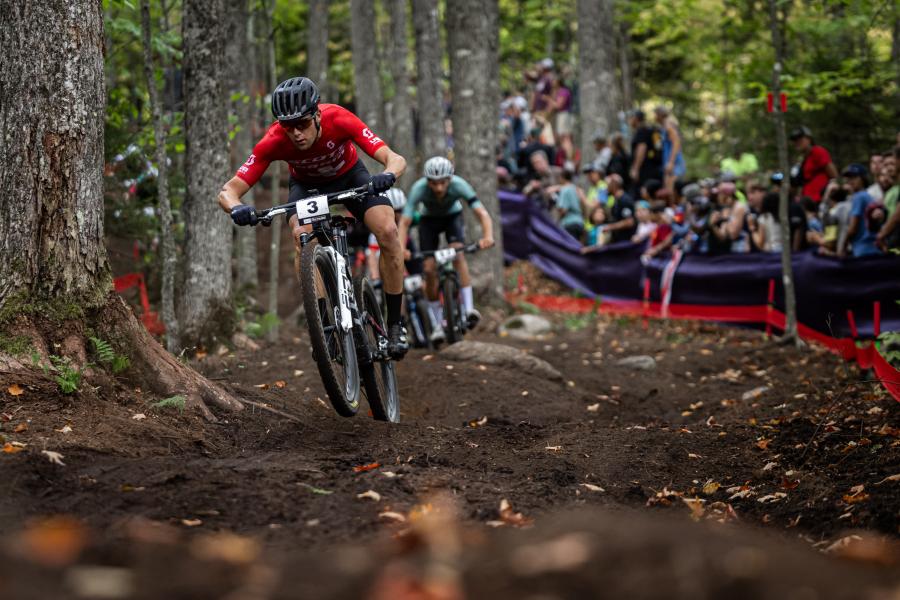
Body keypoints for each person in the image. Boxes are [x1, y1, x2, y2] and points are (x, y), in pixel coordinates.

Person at [219, 76, 410, 357]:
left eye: (302, 123)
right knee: (301, 235)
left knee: (388, 232)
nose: (295, 133)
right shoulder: (273, 140)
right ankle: (324, 327)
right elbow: (228, 190)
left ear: (317, 115)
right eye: (288, 126)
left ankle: (395, 325)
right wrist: (236, 207)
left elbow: (395, 158)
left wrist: (387, 175)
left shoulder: (340, 119)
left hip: (351, 178)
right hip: (307, 188)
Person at [397, 157, 495, 344]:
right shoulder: (419, 188)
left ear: (450, 179)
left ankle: (468, 310)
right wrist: (401, 249)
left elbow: (481, 212)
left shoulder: (460, 185)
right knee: (428, 269)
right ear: (427, 182)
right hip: (428, 222)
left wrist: (488, 236)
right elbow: (405, 222)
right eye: (434, 183)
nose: (439, 188)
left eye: (443, 183)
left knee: (458, 254)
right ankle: (436, 324)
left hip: (452, 218)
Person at [790, 126, 837, 202]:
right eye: (795, 140)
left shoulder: (818, 151)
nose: (797, 142)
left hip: (821, 199)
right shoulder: (802, 159)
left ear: (809, 139)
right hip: (808, 201)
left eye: (800, 139)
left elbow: (833, 175)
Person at [841, 163, 879, 257]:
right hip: (872, 247)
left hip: (863, 248)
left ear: (863, 178)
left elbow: (853, 228)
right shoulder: (867, 196)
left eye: (854, 177)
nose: (850, 181)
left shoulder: (859, 197)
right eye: (848, 178)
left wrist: (843, 245)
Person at [628, 109, 663, 197]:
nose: (629, 120)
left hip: (645, 169)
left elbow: (641, 149)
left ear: (636, 118)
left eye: (631, 118)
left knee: (642, 193)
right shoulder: (651, 130)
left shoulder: (642, 131)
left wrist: (635, 169)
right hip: (655, 168)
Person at [653, 105, 686, 193]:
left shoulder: (668, 125)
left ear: (660, 115)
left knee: (671, 187)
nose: (654, 117)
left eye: (655, 115)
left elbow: (676, 142)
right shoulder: (664, 126)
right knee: (667, 186)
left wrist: (671, 162)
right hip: (669, 161)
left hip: (674, 162)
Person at [555, 169, 585, 240]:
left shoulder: (565, 189)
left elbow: (563, 210)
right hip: (580, 222)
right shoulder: (576, 189)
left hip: (569, 223)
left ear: (562, 177)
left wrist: (557, 219)